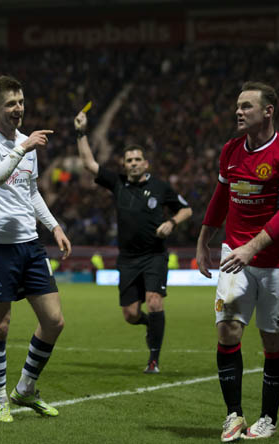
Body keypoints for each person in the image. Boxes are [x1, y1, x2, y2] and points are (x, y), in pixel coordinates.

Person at [195, 82, 279, 441]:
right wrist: (203, 242)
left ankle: (269, 419)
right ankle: (233, 415)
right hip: (235, 255)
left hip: (277, 261)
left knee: (272, 341)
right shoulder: (230, 150)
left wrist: (252, 249)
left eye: (246, 106)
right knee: (227, 328)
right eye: (237, 106)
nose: (238, 112)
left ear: (268, 111)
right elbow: (220, 199)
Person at [0, 75, 72, 423]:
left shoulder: (25, 146)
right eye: (12, 103)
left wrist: (54, 225)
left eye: (22, 103)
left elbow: (31, 193)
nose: (19, 109)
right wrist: (22, 148)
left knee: (54, 321)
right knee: (0, 327)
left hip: (30, 245)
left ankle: (25, 388)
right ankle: (0, 398)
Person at [74, 110, 192, 374]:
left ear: (146, 164)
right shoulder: (117, 183)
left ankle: (154, 359)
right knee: (130, 314)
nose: (134, 163)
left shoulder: (161, 187)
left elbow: (186, 210)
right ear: (124, 164)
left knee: (154, 301)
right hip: (127, 259)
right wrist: (81, 132)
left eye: (138, 159)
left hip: (154, 255)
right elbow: (89, 164)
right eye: (129, 160)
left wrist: (171, 223)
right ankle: (150, 324)